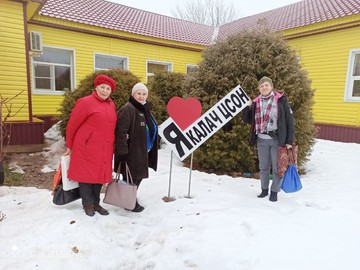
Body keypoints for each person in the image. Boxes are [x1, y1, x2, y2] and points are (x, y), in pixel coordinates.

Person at [64, 74, 117, 216]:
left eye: (108, 88)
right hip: (86, 146)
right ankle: (87, 204)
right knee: (86, 176)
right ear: (96, 87)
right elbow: (72, 125)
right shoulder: (85, 102)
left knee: (99, 176)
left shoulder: (111, 105)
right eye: (102, 87)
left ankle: (96, 203)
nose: (105, 91)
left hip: (104, 147)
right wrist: (69, 146)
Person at [242, 76, 294, 202]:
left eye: (266, 85)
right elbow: (247, 120)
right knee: (263, 167)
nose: (264, 87)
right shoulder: (255, 102)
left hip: (277, 139)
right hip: (261, 140)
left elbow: (289, 121)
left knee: (277, 168)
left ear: (271, 86)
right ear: (259, 88)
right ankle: (264, 189)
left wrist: (289, 141)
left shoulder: (281, 100)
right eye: (261, 86)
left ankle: (274, 191)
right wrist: (246, 107)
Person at [114, 82, 158, 212]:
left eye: (144, 94)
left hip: (142, 150)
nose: (141, 96)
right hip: (131, 151)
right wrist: (123, 153)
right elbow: (121, 132)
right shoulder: (128, 108)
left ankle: (129, 198)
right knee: (131, 177)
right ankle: (129, 202)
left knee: (137, 176)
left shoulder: (144, 108)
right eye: (138, 93)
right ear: (133, 94)